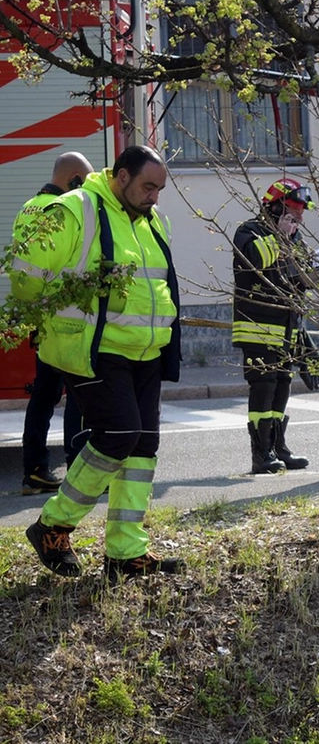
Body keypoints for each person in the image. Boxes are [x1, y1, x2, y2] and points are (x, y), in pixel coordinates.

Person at [13, 145, 184, 581]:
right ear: (121, 176)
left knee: (142, 446)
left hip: (145, 351)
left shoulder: (151, 220)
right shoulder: (77, 208)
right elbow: (26, 274)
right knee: (119, 433)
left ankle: (125, 553)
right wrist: (51, 317)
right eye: (148, 186)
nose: (154, 197)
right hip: (95, 349)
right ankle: (52, 526)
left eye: (159, 189)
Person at [13, 151, 93, 493]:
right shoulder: (61, 211)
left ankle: (34, 470)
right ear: (73, 178)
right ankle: (78, 473)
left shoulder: (28, 207)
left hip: (42, 317)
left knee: (43, 397)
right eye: (84, 183)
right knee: (78, 395)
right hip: (68, 316)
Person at [233, 178, 319, 475]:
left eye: (300, 215)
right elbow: (256, 261)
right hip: (257, 327)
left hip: (287, 328)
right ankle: (261, 454)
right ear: (274, 210)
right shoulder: (249, 232)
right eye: (293, 214)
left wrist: (306, 347)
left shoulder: (294, 239)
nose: (299, 220)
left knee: (282, 385)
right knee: (263, 386)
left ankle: (278, 446)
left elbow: (307, 278)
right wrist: (280, 237)